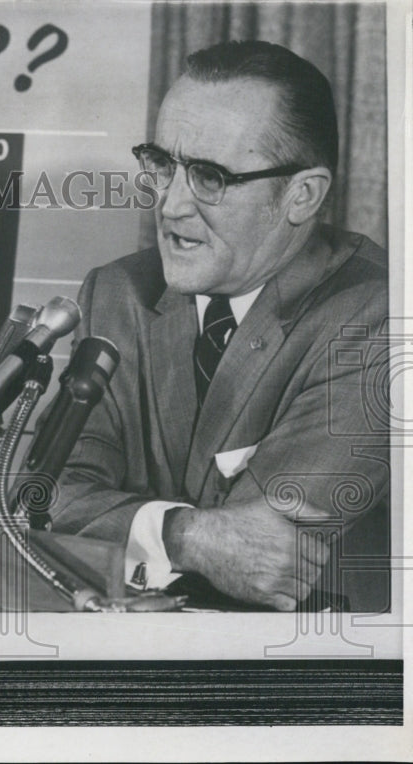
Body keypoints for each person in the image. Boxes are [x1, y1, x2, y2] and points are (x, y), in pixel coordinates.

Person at [48, 40, 390, 611]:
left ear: (302, 196)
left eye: (209, 177)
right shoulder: (117, 293)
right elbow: (43, 496)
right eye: (162, 165)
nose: (171, 206)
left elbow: (272, 552)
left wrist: (134, 525)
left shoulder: (379, 314)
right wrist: (187, 535)